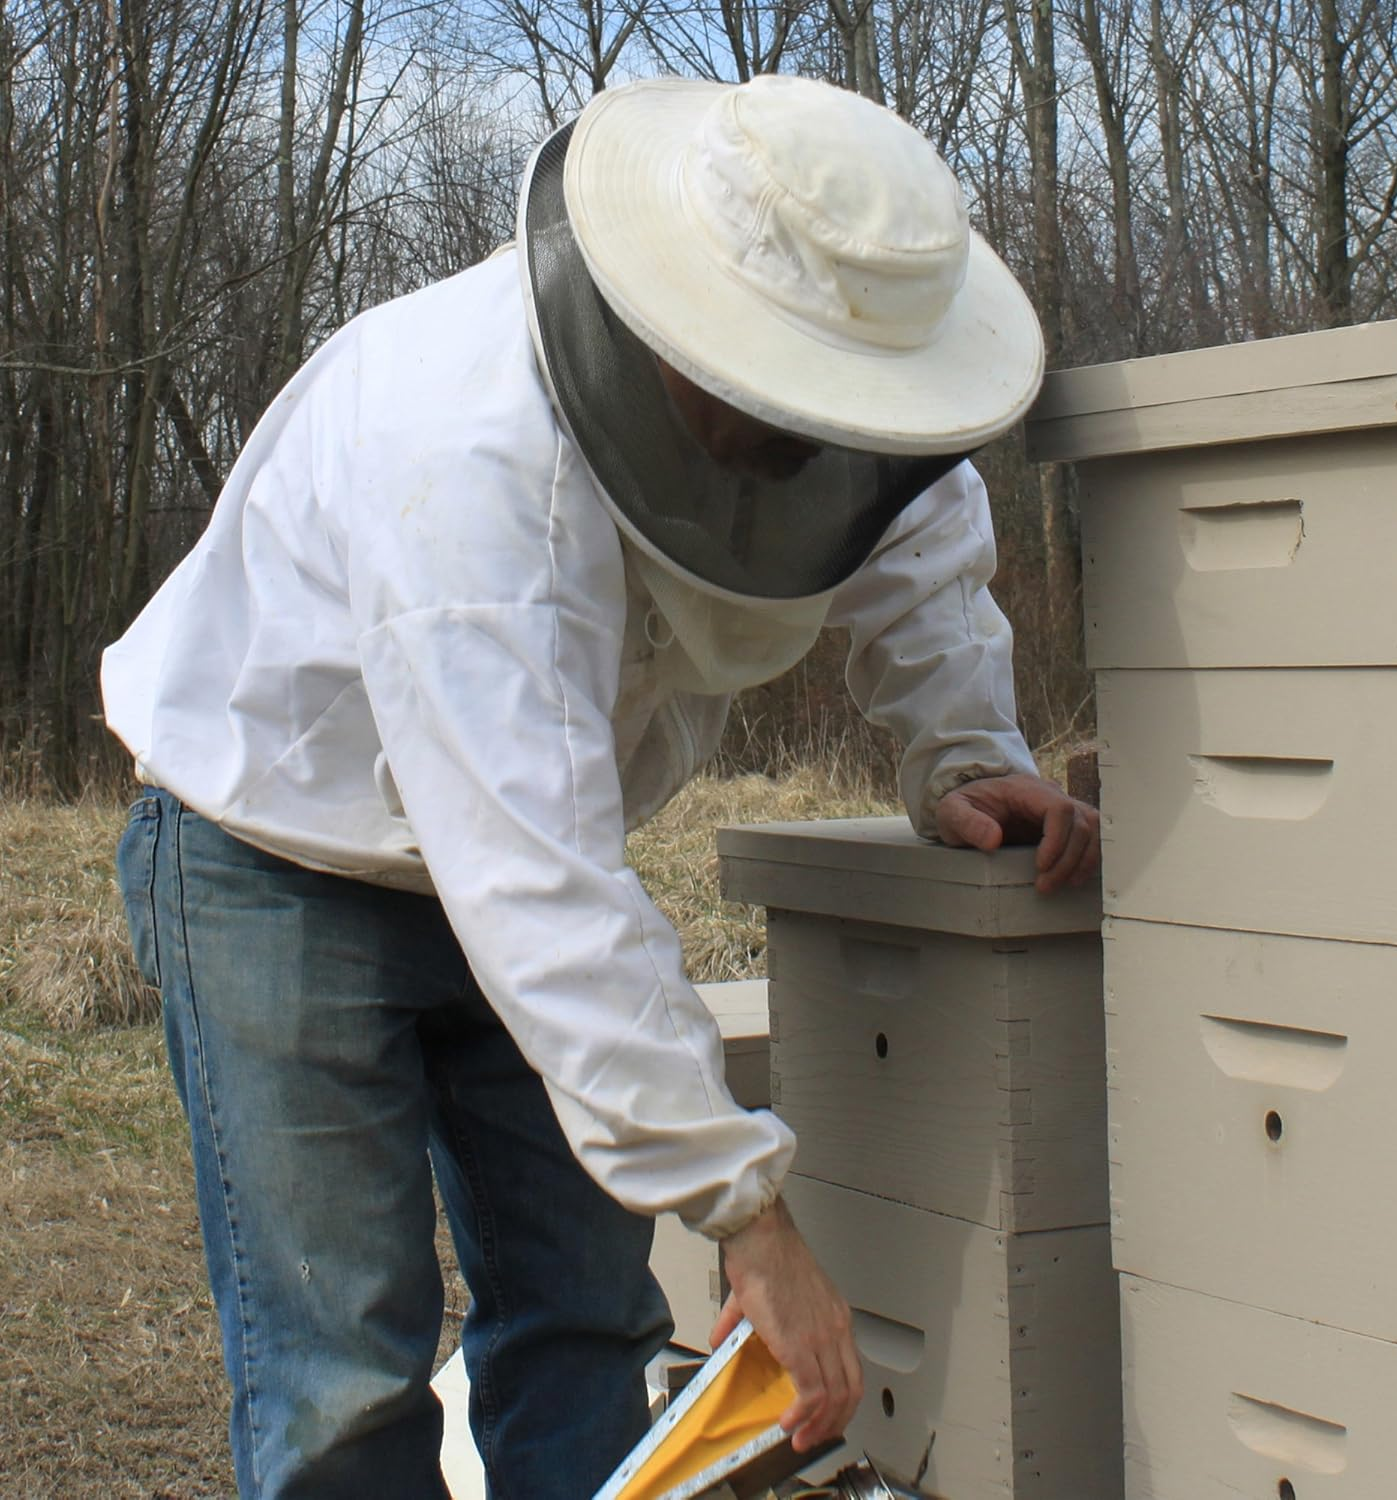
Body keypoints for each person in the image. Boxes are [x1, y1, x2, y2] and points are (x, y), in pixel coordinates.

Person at [102, 72, 1101, 1500]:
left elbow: (914, 526)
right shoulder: (462, 447)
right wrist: (748, 1217)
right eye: (793, 400)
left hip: (509, 865)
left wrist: (967, 753)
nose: (819, 445)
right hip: (277, 854)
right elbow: (538, 878)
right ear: (682, 324)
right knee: (343, 1382)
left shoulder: (837, 430)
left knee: (587, 1330)